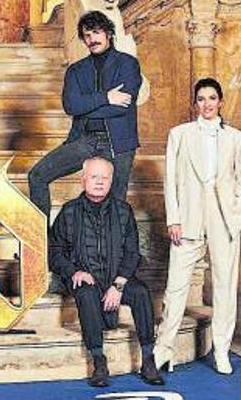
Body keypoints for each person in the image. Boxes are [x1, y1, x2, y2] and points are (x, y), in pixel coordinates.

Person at [154, 78, 241, 375]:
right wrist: (174, 218)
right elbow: (170, 179)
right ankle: (163, 349)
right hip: (189, 215)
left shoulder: (235, 137)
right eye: (201, 98)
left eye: (212, 98)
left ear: (220, 101)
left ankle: (222, 350)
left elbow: (238, 177)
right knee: (176, 286)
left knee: (224, 285)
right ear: (195, 103)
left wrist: (239, 211)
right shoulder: (179, 134)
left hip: (224, 217)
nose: (207, 104)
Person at [49, 156, 163, 388]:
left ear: (111, 181)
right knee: (86, 293)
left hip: (116, 276)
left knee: (140, 292)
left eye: (104, 177)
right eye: (94, 177)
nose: (99, 182)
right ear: (83, 180)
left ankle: (149, 359)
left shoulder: (123, 211)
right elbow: (55, 252)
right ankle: (99, 362)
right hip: (86, 276)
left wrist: (119, 284)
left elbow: (132, 253)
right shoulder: (69, 211)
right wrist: (74, 271)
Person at [28, 11, 142, 222]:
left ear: (108, 33)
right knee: (37, 175)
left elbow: (122, 107)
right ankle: (41, 246)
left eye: (97, 33)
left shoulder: (127, 64)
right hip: (84, 139)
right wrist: (106, 97)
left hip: (118, 142)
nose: (92, 40)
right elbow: (71, 106)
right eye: (87, 36)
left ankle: (112, 254)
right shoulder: (76, 71)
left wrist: (86, 104)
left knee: (115, 205)